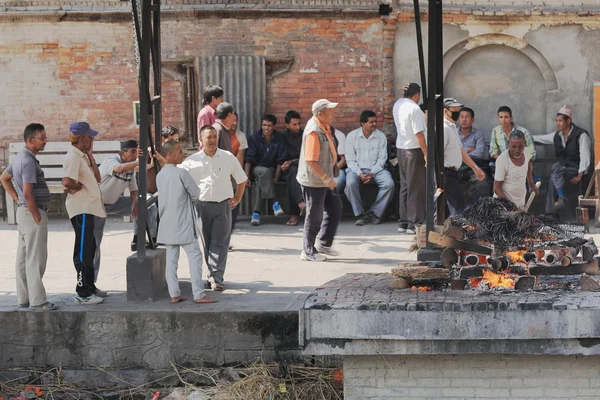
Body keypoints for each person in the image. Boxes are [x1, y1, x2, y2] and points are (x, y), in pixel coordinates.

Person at [181, 125, 248, 291]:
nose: (211, 140)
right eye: (208, 137)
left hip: (223, 206)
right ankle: (213, 275)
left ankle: (216, 278)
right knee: (207, 243)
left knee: (220, 243)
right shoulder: (191, 161)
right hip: (201, 207)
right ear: (200, 140)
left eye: (214, 137)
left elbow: (241, 180)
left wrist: (238, 198)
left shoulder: (228, 157)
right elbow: (178, 180)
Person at [0, 123, 57, 311]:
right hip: (32, 213)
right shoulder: (28, 161)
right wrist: (35, 214)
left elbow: (4, 178)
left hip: (24, 213)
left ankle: (24, 299)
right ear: (30, 140)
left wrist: (19, 202)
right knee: (35, 258)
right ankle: (38, 301)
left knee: (24, 258)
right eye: (43, 137)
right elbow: (27, 193)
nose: (45, 141)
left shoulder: (20, 158)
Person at [156, 140, 217, 304]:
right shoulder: (181, 173)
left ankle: (174, 294)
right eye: (179, 151)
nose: (182, 153)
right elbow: (196, 194)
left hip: (167, 223)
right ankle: (198, 294)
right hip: (183, 223)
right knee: (195, 257)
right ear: (170, 155)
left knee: (171, 259)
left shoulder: (160, 175)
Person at [61, 122, 106, 305]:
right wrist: (79, 186)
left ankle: (90, 286)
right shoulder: (73, 156)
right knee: (83, 251)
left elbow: (98, 178)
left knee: (90, 248)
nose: (92, 140)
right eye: (90, 137)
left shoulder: (83, 156)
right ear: (82, 138)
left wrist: (91, 156)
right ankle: (82, 292)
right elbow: (66, 181)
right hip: (82, 209)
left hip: (90, 208)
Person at [96, 140, 158, 269]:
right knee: (94, 243)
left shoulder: (130, 170)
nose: (135, 155)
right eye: (132, 152)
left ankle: (141, 238)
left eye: (136, 152)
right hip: (96, 204)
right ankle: (89, 281)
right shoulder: (112, 161)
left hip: (114, 202)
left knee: (146, 205)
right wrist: (139, 162)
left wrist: (135, 202)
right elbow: (119, 168)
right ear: (121, 152)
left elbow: (134, 190)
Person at [297, 99, 342, 262]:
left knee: (335, 207)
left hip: (325, 178)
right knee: (314, 216)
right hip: (315, 180)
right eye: (330, 111)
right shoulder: (314, 131)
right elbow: (310, 160)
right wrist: (325, 178)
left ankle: (323, 243)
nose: (333, 113)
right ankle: (307, 251)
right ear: (320, 114)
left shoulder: (325, 126)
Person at [534, 105, 591, 213]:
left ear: (568, 121)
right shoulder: (557, 135)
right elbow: (542, 138)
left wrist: (579, 176)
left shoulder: (581, 135)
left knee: (555, 171)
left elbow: (585, 156)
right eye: (556, 120)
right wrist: (525, 136)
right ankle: (555, 207)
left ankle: (552, 211)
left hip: (575, 169)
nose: (557, 123)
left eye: (560, 121)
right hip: (562, 169)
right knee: (554, 175)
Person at [344, 110, 394, 226]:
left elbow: (382, 159)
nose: (374, 124)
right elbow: (350, 160)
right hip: (356, 170)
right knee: (350, 183)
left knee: (389, 184)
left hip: (376, 170)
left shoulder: (380, 136)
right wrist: (360, 174)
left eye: (375, 121)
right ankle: (359, 214)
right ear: (363, 123)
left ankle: (374, 212)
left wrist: (372, 173)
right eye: (371, 122)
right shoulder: (352, 136)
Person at [393, 83, 427, 234]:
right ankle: (414, 224)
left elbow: (403, 98)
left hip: (401, 149)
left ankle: (403, 222)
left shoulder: (398, 104)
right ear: (417, 95)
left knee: (405, 187)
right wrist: (426, 153)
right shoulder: (415, 109)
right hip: (414, 150)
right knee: (416, 188)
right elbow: (419, 134)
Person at [442, 99, 486, 217]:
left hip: (452, 172)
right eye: (454, 110)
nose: (457, 113)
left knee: (454, 208)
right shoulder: (444, 129)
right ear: (445, 111)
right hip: (445, 172)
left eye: (458, 109)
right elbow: (438, 153)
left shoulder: (451, 127)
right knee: (455, 209)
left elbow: (461, 151)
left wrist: (475, 168)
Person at [244, 114, 287, 226]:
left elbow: (280, 159)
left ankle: (256, 213)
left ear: (273, 126)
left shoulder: (279, 138)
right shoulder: (254, 138)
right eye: (264, 125)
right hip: (257, 169)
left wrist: (277, 175)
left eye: (269, 125)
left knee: (261, 182)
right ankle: (274, 202)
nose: (266, 128)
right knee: (264, 173)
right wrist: (246, 176)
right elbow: (249, 159)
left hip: (272, 169)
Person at [494, 130, 537, 208]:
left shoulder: (526, 152)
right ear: (508, 144)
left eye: (520, 146)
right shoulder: (502, 160)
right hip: (503, 205)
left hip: (520, 202)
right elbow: (497, 189)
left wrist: (531, 185)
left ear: (524, 144)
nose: (517, 150)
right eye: (513, 147)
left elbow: (528, 166)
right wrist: (509, 205)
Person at [457, 107, 492, 204]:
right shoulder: (453, 132)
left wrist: (461, 153)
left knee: (483, 183)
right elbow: (451, 152)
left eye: (467, 117)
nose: (464, 119)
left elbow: (479, 153)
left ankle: (477, 210)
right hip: (456, 167)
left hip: (474, 167)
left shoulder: (478, 134)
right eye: (461, 117)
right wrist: (468, 149)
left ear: (472, 120)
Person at [280, 110, 306, 226]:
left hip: (302, 166)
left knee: (294, 174)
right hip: (284, 169)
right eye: (294, 124)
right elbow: (280, 154)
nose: (297, 127)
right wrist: (283, 164)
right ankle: (300, 204)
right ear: (287, 125)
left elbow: (306, 156)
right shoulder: (282, 136)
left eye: (298, 124)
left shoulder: (304, 135)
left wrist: (291, 162)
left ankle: (295, 214)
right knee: (292, 174)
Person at [229, 112, 248, 233]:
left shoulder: (240, 136)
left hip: (233, 171)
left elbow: (239, 161)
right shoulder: (219, 134)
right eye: (232, 120)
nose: (235, 123)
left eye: (237, 120)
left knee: (234, 202)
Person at [332, 127, 347, 194]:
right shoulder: (314, 134)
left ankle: (333, 202)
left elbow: (343, 160)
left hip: (337, 169)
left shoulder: (339, 135)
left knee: (338, 182)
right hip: (319, 170)